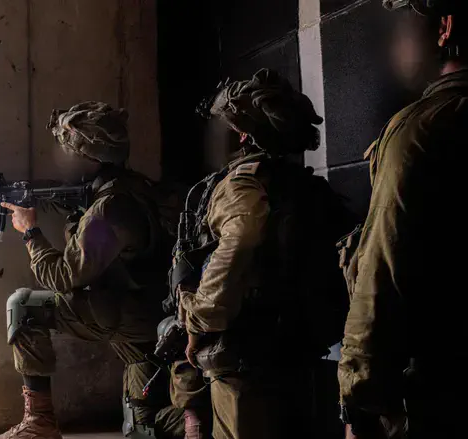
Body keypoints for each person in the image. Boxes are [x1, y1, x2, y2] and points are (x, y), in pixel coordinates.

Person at [0, 101, 184, 439]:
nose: (61, 158)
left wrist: (30, 232)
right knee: (142, 426)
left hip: (132, 314)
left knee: (24, 307)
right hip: (151, 314)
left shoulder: (110, 209)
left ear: (88, 157)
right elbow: (59, 194)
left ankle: (40, 423)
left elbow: (63, 277)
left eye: (68, 150)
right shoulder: (126, 185)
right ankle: (204, 422)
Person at [176, 68, 352, 439]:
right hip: (301, 346)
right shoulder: (304, 185)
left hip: (247, 353)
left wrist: (199, 319)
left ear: (242, 134)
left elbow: (241, 237)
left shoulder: (241, 182)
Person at [339, 2, 468, 438]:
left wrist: (356, 398)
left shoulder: (420, 129)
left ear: (444, 27)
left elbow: (381, 270)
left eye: (406, 24)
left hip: (441, 392)